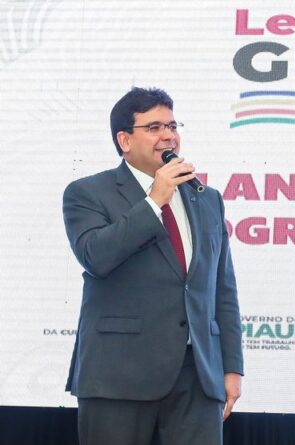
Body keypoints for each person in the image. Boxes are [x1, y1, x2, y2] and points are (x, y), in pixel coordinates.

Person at [62, 87, 243, 445]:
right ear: (125, 140)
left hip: (197, 374)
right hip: (118, 375)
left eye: (172, 126)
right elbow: (96, 257)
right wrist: (154, 201)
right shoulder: (87, 193)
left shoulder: (206, 199)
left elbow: (222, 289)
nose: (168, 135)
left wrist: (231, 367)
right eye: (154, 127)